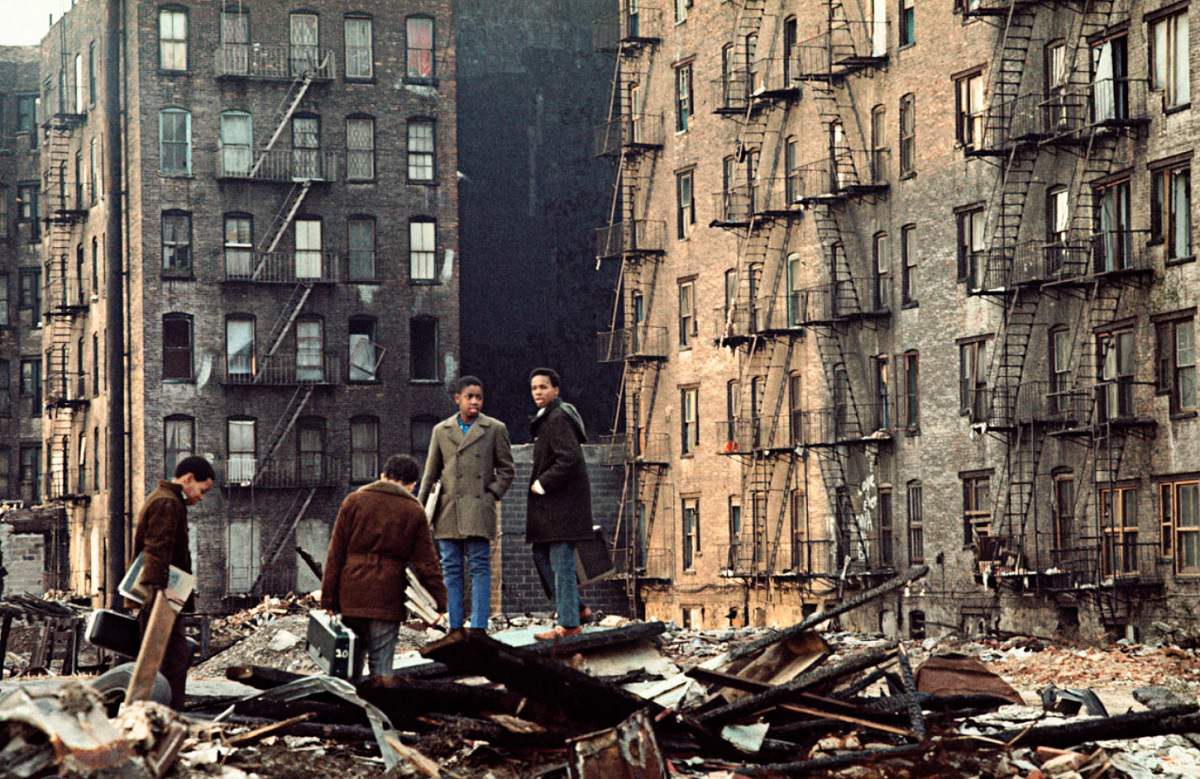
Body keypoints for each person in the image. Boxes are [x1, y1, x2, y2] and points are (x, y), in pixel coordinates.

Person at [321, 454, 446, 681]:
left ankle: (348, 712)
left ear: (382, 476)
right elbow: (427, 563)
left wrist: (329, 600)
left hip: (352, 596)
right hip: (387, 597)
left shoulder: (353, 501)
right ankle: (377, 714)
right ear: (412, 484)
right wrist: (440, 602)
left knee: (348, 669)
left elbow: (335, 554)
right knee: (382, 672)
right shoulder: (413, 510)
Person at [418, 376, 514, 634]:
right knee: (451, 568)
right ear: (457, 399)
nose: (474, 401)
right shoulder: (441, 430)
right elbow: (430, 473)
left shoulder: (495, 429)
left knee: (480, 566)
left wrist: (491, 495)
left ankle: (479, 626)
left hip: (478, 510)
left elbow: (507, 470)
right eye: (469, 396)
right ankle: (456, 627)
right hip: (448, 511)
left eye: (478, 397)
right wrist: (419, 510)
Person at [132, 455, 215, 709]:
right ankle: (165, 712)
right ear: (189, 479)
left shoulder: (167, 500)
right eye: (202, 490)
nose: (201, 497)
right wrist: (158, 601)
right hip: (161, 600)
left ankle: (161, 710)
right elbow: (157, 550)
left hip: (164, 598)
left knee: (169, 658)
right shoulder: (167, 503)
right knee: (170, 659)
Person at [526, 368, 595, 640]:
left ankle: (568, 624)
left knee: (561, 560)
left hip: (561, 506)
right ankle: (576, 608)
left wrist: (543, 483)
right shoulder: (551, 418)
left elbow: (569, 458)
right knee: (541, 554)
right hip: (557, 506)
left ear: (556, 389)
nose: (538, 393)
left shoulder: (558, 419)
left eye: (543, 387)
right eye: (534, 388)